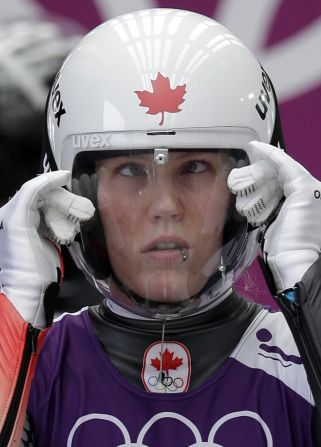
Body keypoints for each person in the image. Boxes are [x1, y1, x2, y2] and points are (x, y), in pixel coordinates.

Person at [0, 8, 320, 446]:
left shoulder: (304, 361)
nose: (165, 206)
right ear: (72, 190)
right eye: (131, 171)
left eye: (193, 167)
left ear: (255, 185)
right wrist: (15, 308)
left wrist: (310, 281)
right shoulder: (35, 365)